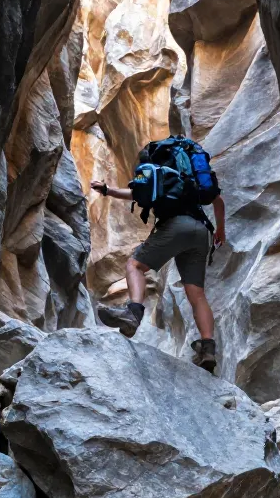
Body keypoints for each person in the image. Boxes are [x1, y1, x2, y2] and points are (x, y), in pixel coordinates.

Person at [90, 156, 226, 372]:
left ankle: (133, 313)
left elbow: (136, 193)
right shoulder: (195, 178)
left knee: (134, 265)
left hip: (175, 227)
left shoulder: (159, 173)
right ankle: (207, 348)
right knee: (197, 295)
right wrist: (220, 230)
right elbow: (218, 201)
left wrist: (107, 190)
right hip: (201, 232)